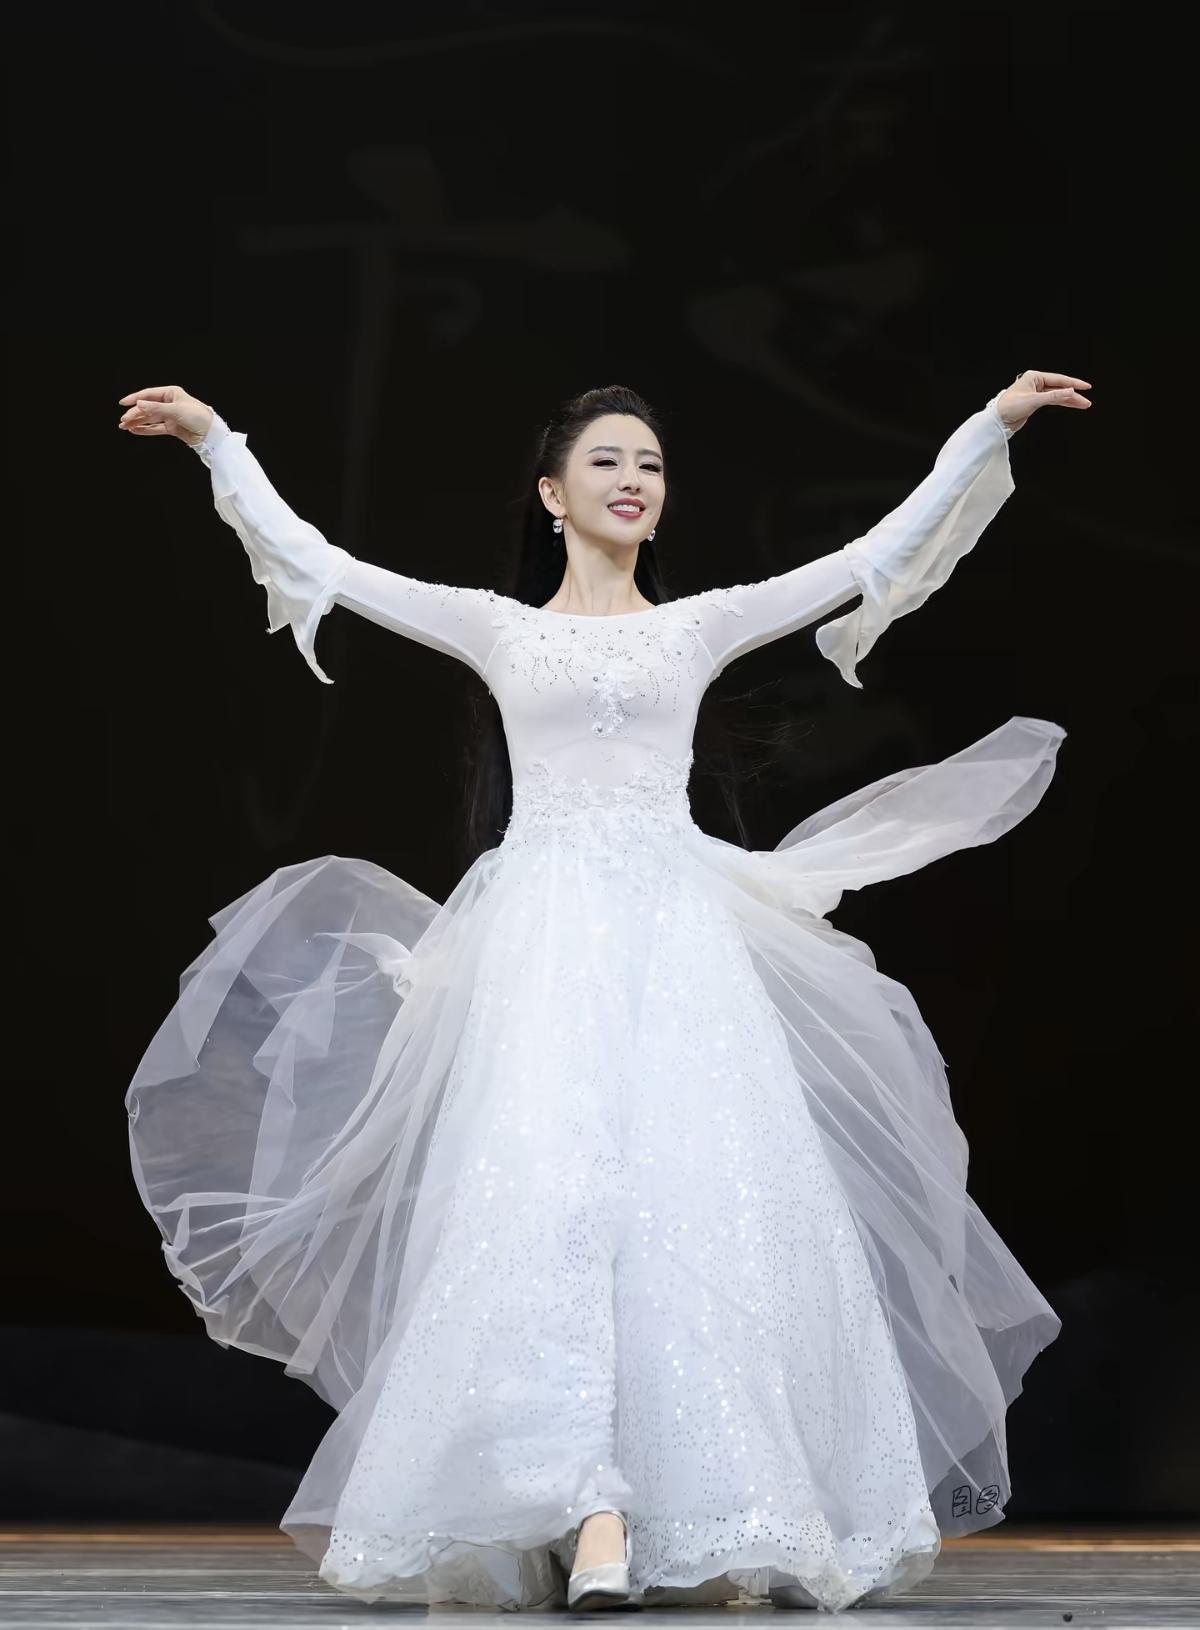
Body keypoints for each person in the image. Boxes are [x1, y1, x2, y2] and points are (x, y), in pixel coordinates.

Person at [119, 370, 1090, 1613]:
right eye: (608, 462)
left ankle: (701, 1500)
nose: (635, 480)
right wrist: (216, 440)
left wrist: (987, 428)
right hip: (541, 949)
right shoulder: (498, 628)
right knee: (550, 1210)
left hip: (679, 952)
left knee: (694, 1214)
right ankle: (589, 1507)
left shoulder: (697, 626)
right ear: (552, 492)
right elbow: (323, 562)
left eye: (652, 465)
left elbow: (871, 555)